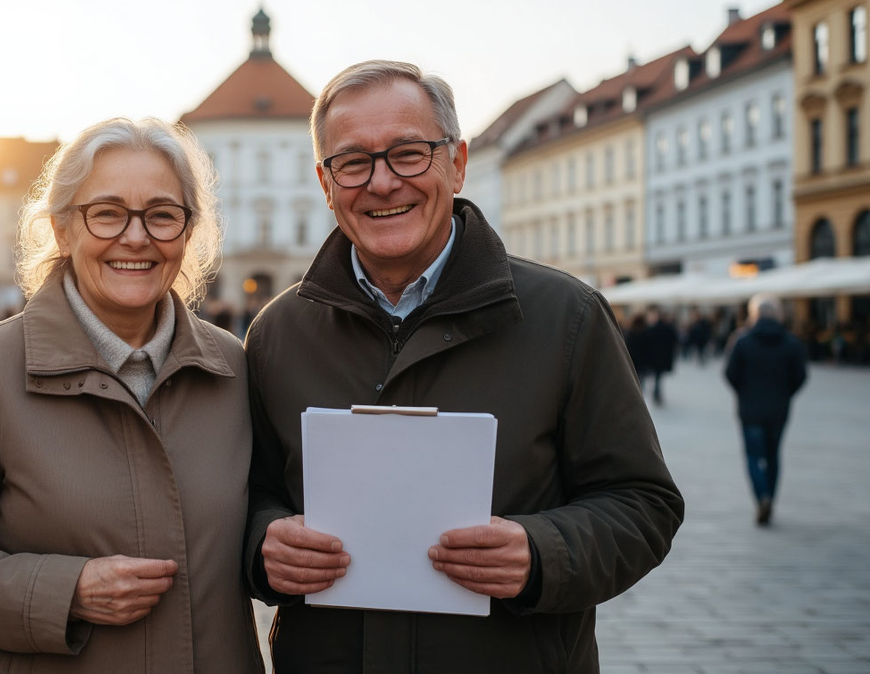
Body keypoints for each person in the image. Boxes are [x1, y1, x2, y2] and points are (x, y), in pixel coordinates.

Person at [243, 60, 683, 672]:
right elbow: (248, 497)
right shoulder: (277, 332)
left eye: (408, 153)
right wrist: (263, 545)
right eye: (353, 161)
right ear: (325, 180)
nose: (382, 182)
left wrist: (540, 553)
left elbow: (644, 505)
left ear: (457, 162)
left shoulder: (567, 317)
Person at [0, 118, 263, 673]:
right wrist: (68, 592)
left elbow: (254, 519)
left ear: (187, 231)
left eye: (162, 215)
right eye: (107, 213)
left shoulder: (231, 366)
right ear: (63, 229)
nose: (137, 237)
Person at [724, 294, 807, 526]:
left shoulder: (743, 341)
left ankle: (762, 497)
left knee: (752, 456)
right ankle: (770, 496)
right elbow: (800, 376)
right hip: (779, 410)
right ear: (778, 315)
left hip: (749, 410)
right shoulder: (791, 342)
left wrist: (744, 393)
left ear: (754, 315)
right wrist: (785, 394)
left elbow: (730, 374)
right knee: (773, 456)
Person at [645, 305, 678, 405]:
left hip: (654, 357)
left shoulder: (653, 328)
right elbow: (674, 341)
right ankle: (657, 393)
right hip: (663, 357)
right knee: (658, 377)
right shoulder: (668, 329)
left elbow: (648, 342)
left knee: (656, 376)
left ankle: (656, 393)